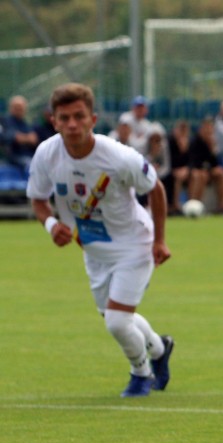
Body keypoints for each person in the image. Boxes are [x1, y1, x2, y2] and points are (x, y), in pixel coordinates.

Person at [25, 82, 174, 398]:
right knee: (115, 315)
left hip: (134, 244)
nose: (72, 124)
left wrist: (160, 241)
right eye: (64, 118)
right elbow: (38, 200)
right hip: (92, 248)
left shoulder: (119, 157)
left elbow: (156, 189)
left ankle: (141, 374)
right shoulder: (46, 154)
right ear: (54, 121)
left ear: (93, 119)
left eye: (79, 116)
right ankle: (160, 350)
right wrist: (52, 225)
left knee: (118, 322)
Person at [188, 117, 223, 214]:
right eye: (206, 128)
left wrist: (212, 149)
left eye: (211, 128)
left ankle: (221, 207)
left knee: (221, 174)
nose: (208, 131)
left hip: (207, 170)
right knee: (201, 175)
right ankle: (195, 206)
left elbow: (214, 163)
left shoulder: (211, 143)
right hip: (195, 170)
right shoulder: (195, 141)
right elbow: (193, 162)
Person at [4, 95, 40, 174]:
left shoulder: (26, 124)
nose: (19, 110)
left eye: (21, 107)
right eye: (16, 107)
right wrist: (26, 138)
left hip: (30, 156)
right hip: (15, 158)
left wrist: (23, 138)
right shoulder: (5, 121)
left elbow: (34, 139)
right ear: (11, 108)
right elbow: (12, 137)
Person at [164, 120, 191, 215]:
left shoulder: (189, 142)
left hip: (186, 171)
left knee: (198, 176)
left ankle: (192, 204)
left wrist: (187, 169)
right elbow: (168, 160)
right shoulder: (169, 142)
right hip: (170, 170)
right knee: (176, 178)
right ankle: (175, 206)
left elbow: (192, 160)